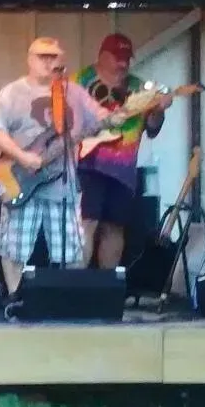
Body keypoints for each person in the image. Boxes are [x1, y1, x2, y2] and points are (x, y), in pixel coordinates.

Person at [0, 37, 137, 294]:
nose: (49, 61)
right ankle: (15, 299)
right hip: (20, 180)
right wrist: (23, 158)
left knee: (73, 251)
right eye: (43, 56)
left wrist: (121, 114)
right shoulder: (12, 93)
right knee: (14, 249)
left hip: (62, 186)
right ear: (30, 59)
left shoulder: (72, 92)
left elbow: (101, 118)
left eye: (54, 56)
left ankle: (65, 301)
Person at [75, 32, 170, 271]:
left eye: (127, 58)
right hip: (86, 163)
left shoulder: (139, 88)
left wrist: (158, 110)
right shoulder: (80, 81)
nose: (123, 63)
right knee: (86, 222)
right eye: (117, 57)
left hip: (123, 170)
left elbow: (152, 129)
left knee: (114, 226)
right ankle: (77, 286)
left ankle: (107, 287)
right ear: (102, 56)